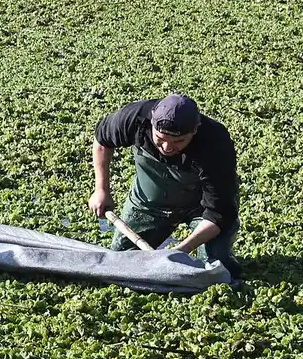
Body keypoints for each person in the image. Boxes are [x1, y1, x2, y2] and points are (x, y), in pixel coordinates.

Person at [88, 93, 241, 277]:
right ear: (151, 123)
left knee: (215, 267)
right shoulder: (134, 117)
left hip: (202, 209)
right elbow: (102, 141)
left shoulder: (215, 143)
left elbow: (218, 214)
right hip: (149, 202)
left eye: (178, 141)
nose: (167, 148)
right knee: (121, 261)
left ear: (195, 130)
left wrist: (180, 251)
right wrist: (101, 189)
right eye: (160, 139)